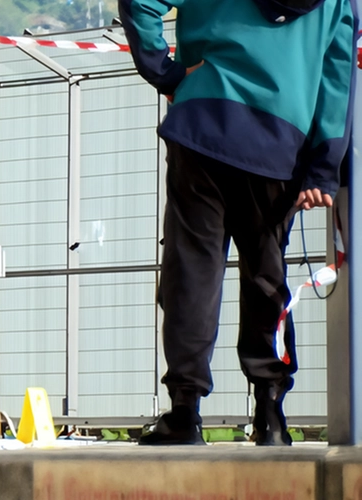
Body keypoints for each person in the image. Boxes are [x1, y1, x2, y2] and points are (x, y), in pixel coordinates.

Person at [121, 0, 356, 446]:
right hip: (279, 145)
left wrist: (166, 73)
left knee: (191, 270)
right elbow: (337, 77)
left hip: (203, 123)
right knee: (267, 276)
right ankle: (270, 413)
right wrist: (324, 168)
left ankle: (185, 413)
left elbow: (140, 3)